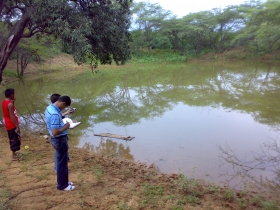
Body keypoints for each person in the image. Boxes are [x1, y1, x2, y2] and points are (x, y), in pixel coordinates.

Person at [45, 95, 75, 191]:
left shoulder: (50, 108)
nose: (64, 109)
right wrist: (65, 127)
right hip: (59, 140)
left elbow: (57, 121)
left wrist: (66, 120)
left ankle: (63, 182)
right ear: (63, 103)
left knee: (60, 162)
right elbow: (55, 132)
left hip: (56, 140)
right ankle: (62, 185)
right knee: (62, 163)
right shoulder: (54, 113)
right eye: (65, 107)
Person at [2, 88, 22, 161]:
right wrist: (17, 126)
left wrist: (13, 102)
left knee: (15, 138)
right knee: (14, 139)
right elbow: (11, 115)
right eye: (14, 94)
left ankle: (15, 153)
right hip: (11, 124)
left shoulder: (5, 101)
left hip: (8, 123)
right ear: (11, 95)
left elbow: (11, 110)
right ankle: (13, 156)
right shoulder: (9, 104)